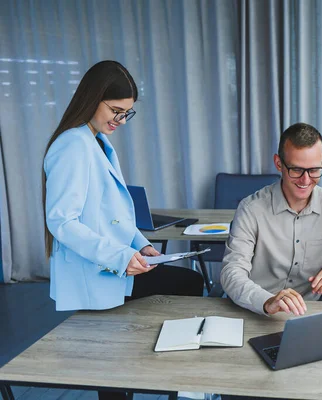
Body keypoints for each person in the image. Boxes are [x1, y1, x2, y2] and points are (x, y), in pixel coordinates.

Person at [42, 60, 204, 400]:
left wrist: (141, 245)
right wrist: (120, 255)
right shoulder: (73, 145)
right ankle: (182, 384)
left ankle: (178, 380)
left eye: (127, 113)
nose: (120, 120)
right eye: (116, 110)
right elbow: (62, 222)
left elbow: (112, 213)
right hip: (100, 268)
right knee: (112, 370)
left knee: (187, 284)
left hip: (115, 265)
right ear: (93, 98)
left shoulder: (97, 141)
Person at [220, 122, 322, 317]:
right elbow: (231, 272)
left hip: (308, 314)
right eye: (296, 170)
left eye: (314, 170)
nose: (306, 180)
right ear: (279, 163)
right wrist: (266, 301)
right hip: (257, 311)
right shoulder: (251, 209)